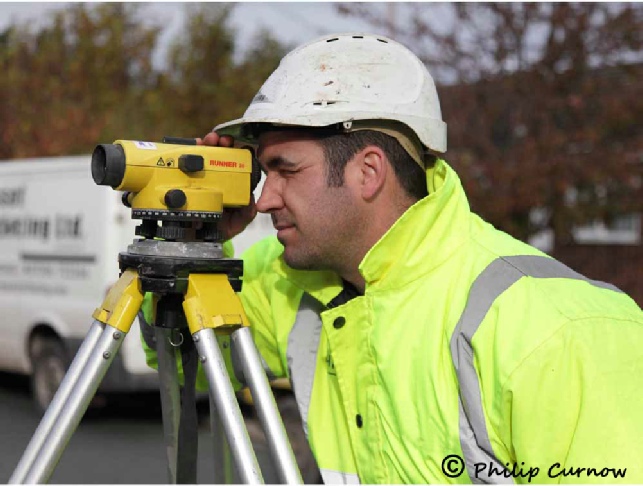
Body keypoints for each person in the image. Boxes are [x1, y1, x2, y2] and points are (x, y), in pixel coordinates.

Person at [143, 33, 643, 483]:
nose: (264, 198)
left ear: (368, 171)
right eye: (261, 172)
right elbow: (179, 360)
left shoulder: (562, 328)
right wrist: (198, 243)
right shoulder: (286, 277)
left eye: (285, 170)